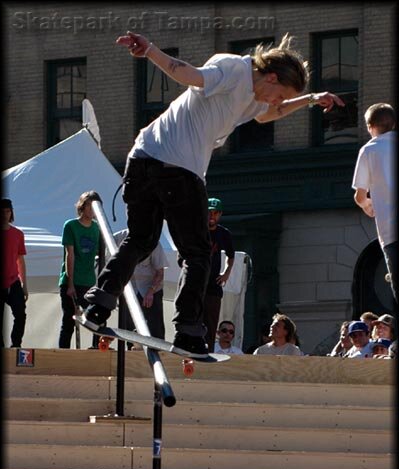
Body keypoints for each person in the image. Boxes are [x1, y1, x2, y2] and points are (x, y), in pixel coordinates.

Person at [83, 30, 344, 358]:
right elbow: (189, 74)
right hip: (177, 168)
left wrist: (308, 99)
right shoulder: (234, 69)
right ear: (272, 76)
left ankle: (98, 305)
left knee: (140, 240)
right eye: (279, 94)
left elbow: (268, 115)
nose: (276, 102)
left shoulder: (254, 98)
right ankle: (189, 331)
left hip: (143, 158)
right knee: (198, 253)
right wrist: (150, 51)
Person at [352, 103, 397, 304]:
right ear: (394, 124)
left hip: (391, 231)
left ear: (370, 126)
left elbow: (360, 195)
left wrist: (368, 205)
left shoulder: (369, 150)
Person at [58, 191, 101, 349]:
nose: (92, 210)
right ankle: (62, 355)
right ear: (82, 207)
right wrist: (70, 285)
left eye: (94, 206)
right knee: (68, 322)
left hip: (89, 281)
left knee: (96, 318)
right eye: (89, 205)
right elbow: (70, 255)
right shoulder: (70, 225)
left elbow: (98, 254)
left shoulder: (97, 228)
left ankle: (96, 350)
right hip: (71, 281)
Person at [113, 232, 168, 347]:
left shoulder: (153, 241)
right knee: (129, 327)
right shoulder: (118, 237)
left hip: (151, 289)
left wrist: (151, 292)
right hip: (129, 289)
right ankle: (130, 355)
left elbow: (160, 272)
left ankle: (159, 354)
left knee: (154, 329)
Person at [203, 198, 235, 352]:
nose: (211, 215)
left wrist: (226, 273)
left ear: (220, 214)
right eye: (209, 212)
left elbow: (231, 255)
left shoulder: (223, 233)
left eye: (215, 213)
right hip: (196, 283)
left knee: (210, 323)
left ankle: (207, 352)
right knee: (192, 321)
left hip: (213, 286)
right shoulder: (197, 230)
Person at [1, 198, 28, 348]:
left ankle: (15, 345)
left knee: (20, 315)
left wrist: (24, 284)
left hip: (13, 281)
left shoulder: (18, 234)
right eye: (2, 211)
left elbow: (20, 260)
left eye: (7, 211)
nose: (5, 214)